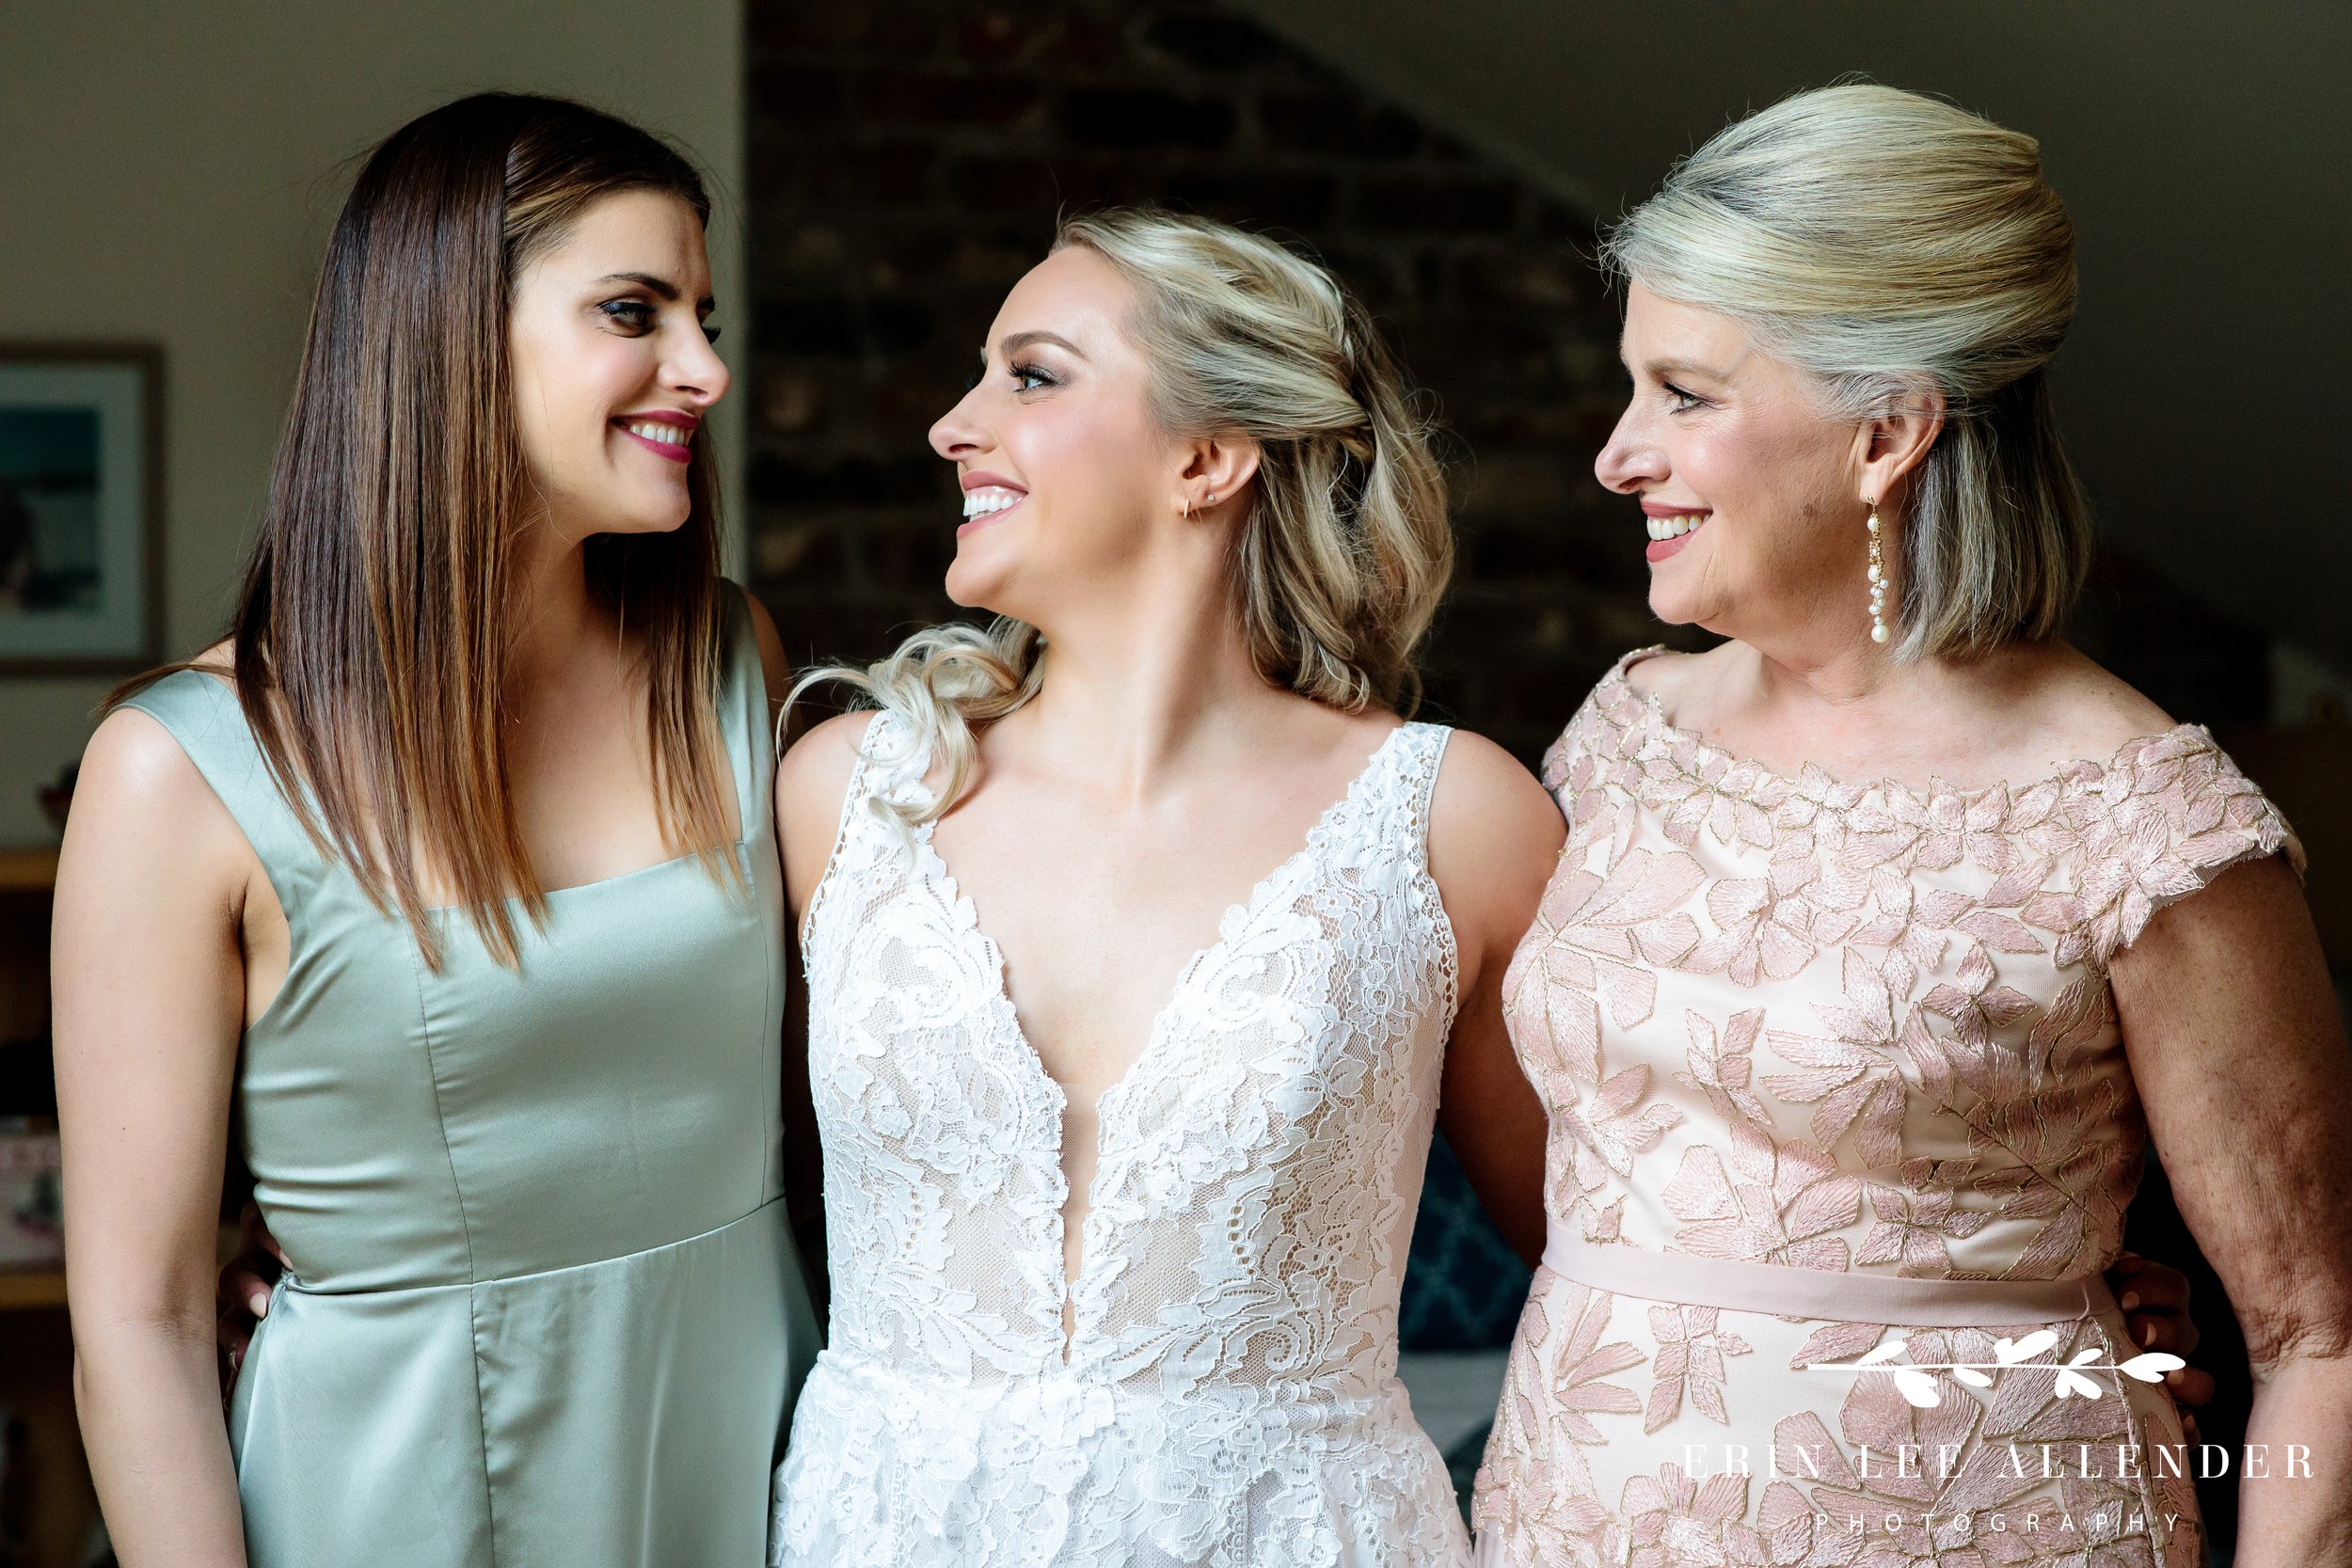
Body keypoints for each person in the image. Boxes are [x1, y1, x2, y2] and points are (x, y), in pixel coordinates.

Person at [1470, 85, 2352, 1568]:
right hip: (1571, 1522)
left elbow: (2318, 1339)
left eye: (1684, 397)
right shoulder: (1625, 734)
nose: (1620, 453)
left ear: (1885, 432)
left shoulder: (2145, 822)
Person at [54, 94, 818, 1568]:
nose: (707, 369)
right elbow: (137, 1326)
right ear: (450, 332)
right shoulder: (178, 771)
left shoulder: (733, 667)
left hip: (746, 1449)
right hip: (393, 1492)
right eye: (633, 309)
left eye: (703, 312)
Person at [766, 208, 1563, 1566]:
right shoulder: (846, 797)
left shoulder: (1453, 821)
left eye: (1031, 373)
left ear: (1205, 458)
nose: (953, 424)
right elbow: (694, 1172)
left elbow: (1606, 1249)